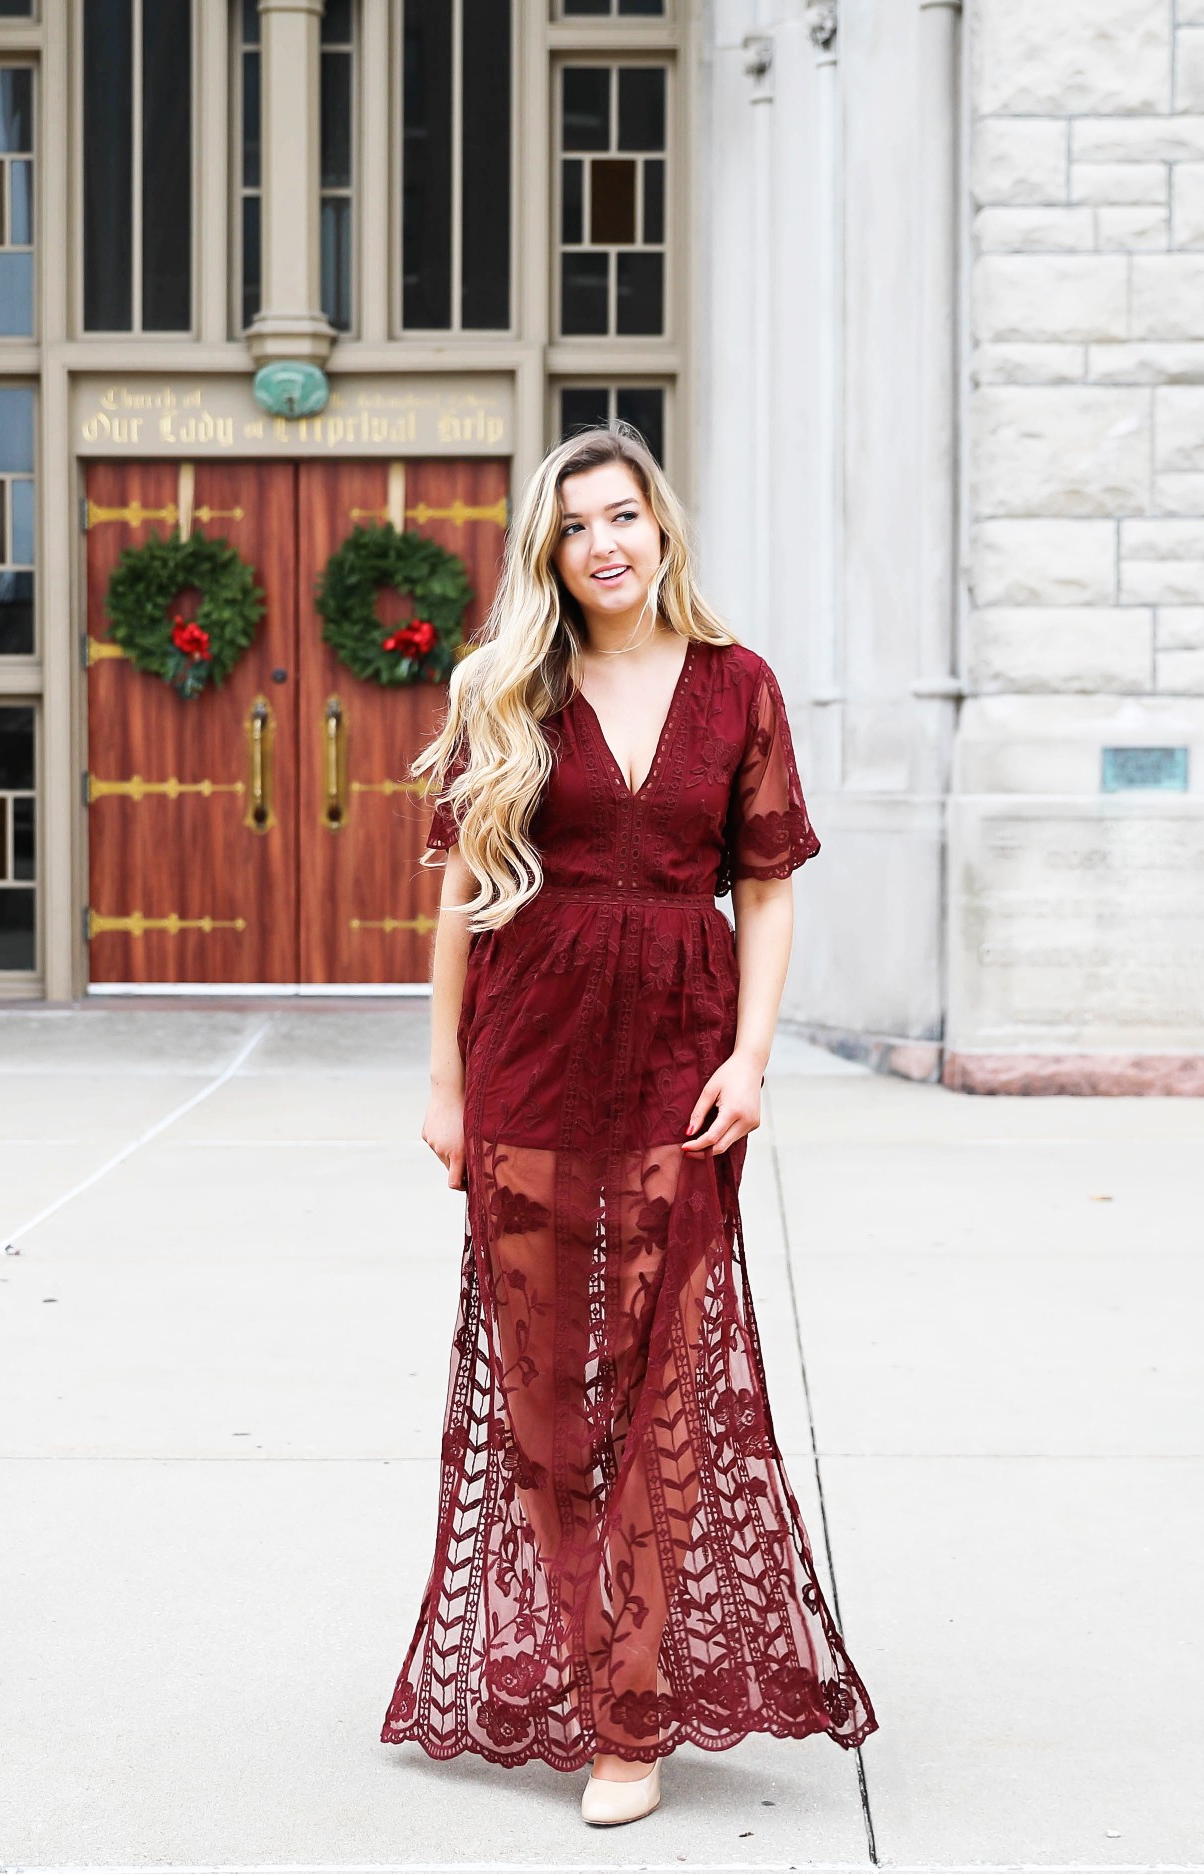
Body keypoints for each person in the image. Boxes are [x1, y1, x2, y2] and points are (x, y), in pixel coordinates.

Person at [384, 423, 876, 1827]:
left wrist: (753, 1055)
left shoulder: (739, 686)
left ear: (662, 530)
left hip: (676, 1059)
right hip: (530, 1059)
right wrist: (444, 1083)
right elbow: (463, 903)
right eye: (578, 524)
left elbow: (768, 885)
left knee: (665, 1389)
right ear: (550, 551)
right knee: (545, 1405)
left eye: (626, 515)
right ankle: (604, 1649)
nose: (606, 541)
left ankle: (629, 1714)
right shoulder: (511, 694)